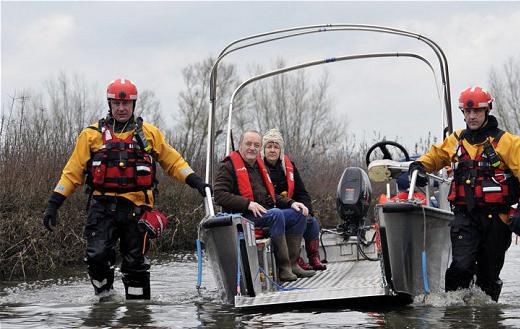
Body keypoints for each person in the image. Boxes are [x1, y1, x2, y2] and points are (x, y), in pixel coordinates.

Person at [43, 78, 208, 300]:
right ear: (109, 104)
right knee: (97, 256)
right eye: (116, 104)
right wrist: (54, 204)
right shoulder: (90, 135)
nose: (121, 109)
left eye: (126, 104)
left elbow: (173, 162)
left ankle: (138, 317)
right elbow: (72, 173)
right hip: (102, 208)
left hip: (137, 210)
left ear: (134, 105)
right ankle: (105, 298)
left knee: (135, 264)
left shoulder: (150, 134)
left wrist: (196, 181)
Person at [409, 86, 520, 301]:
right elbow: (435, 156)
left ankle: (488, 323)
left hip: (496, 219)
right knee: (460, 267)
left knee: (488, 277)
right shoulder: (457, 140)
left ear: (487, 110)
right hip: (465, 217)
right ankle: (456, 317)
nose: (471, 116)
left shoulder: (508, 143)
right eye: (467, 112)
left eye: (477, 111)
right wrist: (418, 166)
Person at [213, 129, 315, 282]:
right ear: (240, 145)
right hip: (241, 218)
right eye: (248, 144)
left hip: (262, 214)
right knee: (276, 214)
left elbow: (271, 196)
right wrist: (247, 204)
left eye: (256, 145)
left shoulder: (260, 167)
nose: (252, 148)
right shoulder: (228, 167)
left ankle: (293, 264)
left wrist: (292, 203)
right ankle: (284, 269)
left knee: (299, 213)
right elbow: (219, 195)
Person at [261, 128, 326, 271]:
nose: (272, 150)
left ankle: (314, 257)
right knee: (295, 217)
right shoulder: (258, 168)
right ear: (263, 149)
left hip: (291, 206)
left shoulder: (289, 167)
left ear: (281, 150)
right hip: (271, 210)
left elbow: (301, 192)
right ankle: (295, 259)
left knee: (311, 221)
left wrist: (308, 210)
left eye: (276, 147)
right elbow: (266, 196)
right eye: (269, 146)